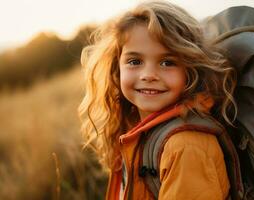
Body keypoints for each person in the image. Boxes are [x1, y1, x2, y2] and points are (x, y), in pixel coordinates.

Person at [79, 0, 237, 199]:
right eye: (135, 61)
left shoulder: (185, 147)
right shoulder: (138, 130)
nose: (148, 75)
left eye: (167, 62)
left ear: (190, 70)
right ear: (116, 69)